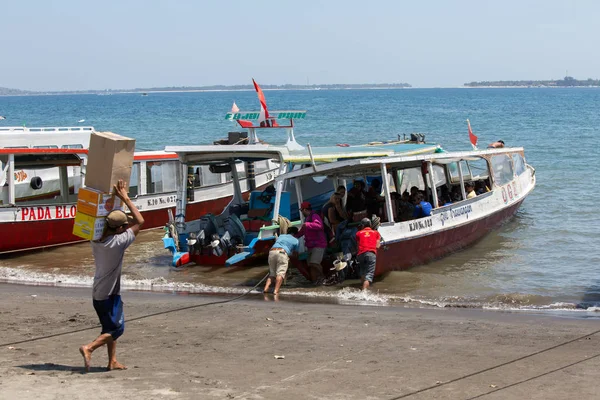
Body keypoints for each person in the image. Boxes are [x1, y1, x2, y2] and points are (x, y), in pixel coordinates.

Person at [79, 179, 144, 373]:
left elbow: (105, 219)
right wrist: (125, 197)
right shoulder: (118, 243)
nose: (126, 228)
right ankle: (89, 348)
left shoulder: (96, 239)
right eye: (123, 226)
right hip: (107, 295)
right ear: (118, 229)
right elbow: (140, 221)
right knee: (117, 329)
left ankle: (112, 361)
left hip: (100, 292)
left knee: (109, 327)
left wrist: (114, 200)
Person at [296, 201, 327, 284]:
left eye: (301, 210)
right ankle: (314, 282)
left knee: (314, 263)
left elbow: (319, 226)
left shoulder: (314, 216)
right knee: (311, 266)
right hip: (310, 246)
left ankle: (324, 279)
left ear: (305, 209)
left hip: (319, 245)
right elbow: (302, 232)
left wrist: (307, 224)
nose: (301, 212)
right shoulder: (307, 219)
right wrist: (293, 236)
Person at [263, 227, 299, 295]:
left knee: (272, 274)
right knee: (280, 273)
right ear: (295, 233)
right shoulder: (296, 240)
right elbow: (295, 255)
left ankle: (266, 288)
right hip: (282, 253)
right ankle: (275, 291)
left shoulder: (281, 236)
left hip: (272, 251)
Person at [355, 218, 381, 290]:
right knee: (369, 276)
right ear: (370, 225)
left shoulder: (358, 233)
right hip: (371, 254)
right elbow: (377, 246)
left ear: (362, 226)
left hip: (361, 254)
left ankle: (363, 288)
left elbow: (357, 246)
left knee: (363, 273)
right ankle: (364, 293)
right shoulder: (376, 233)